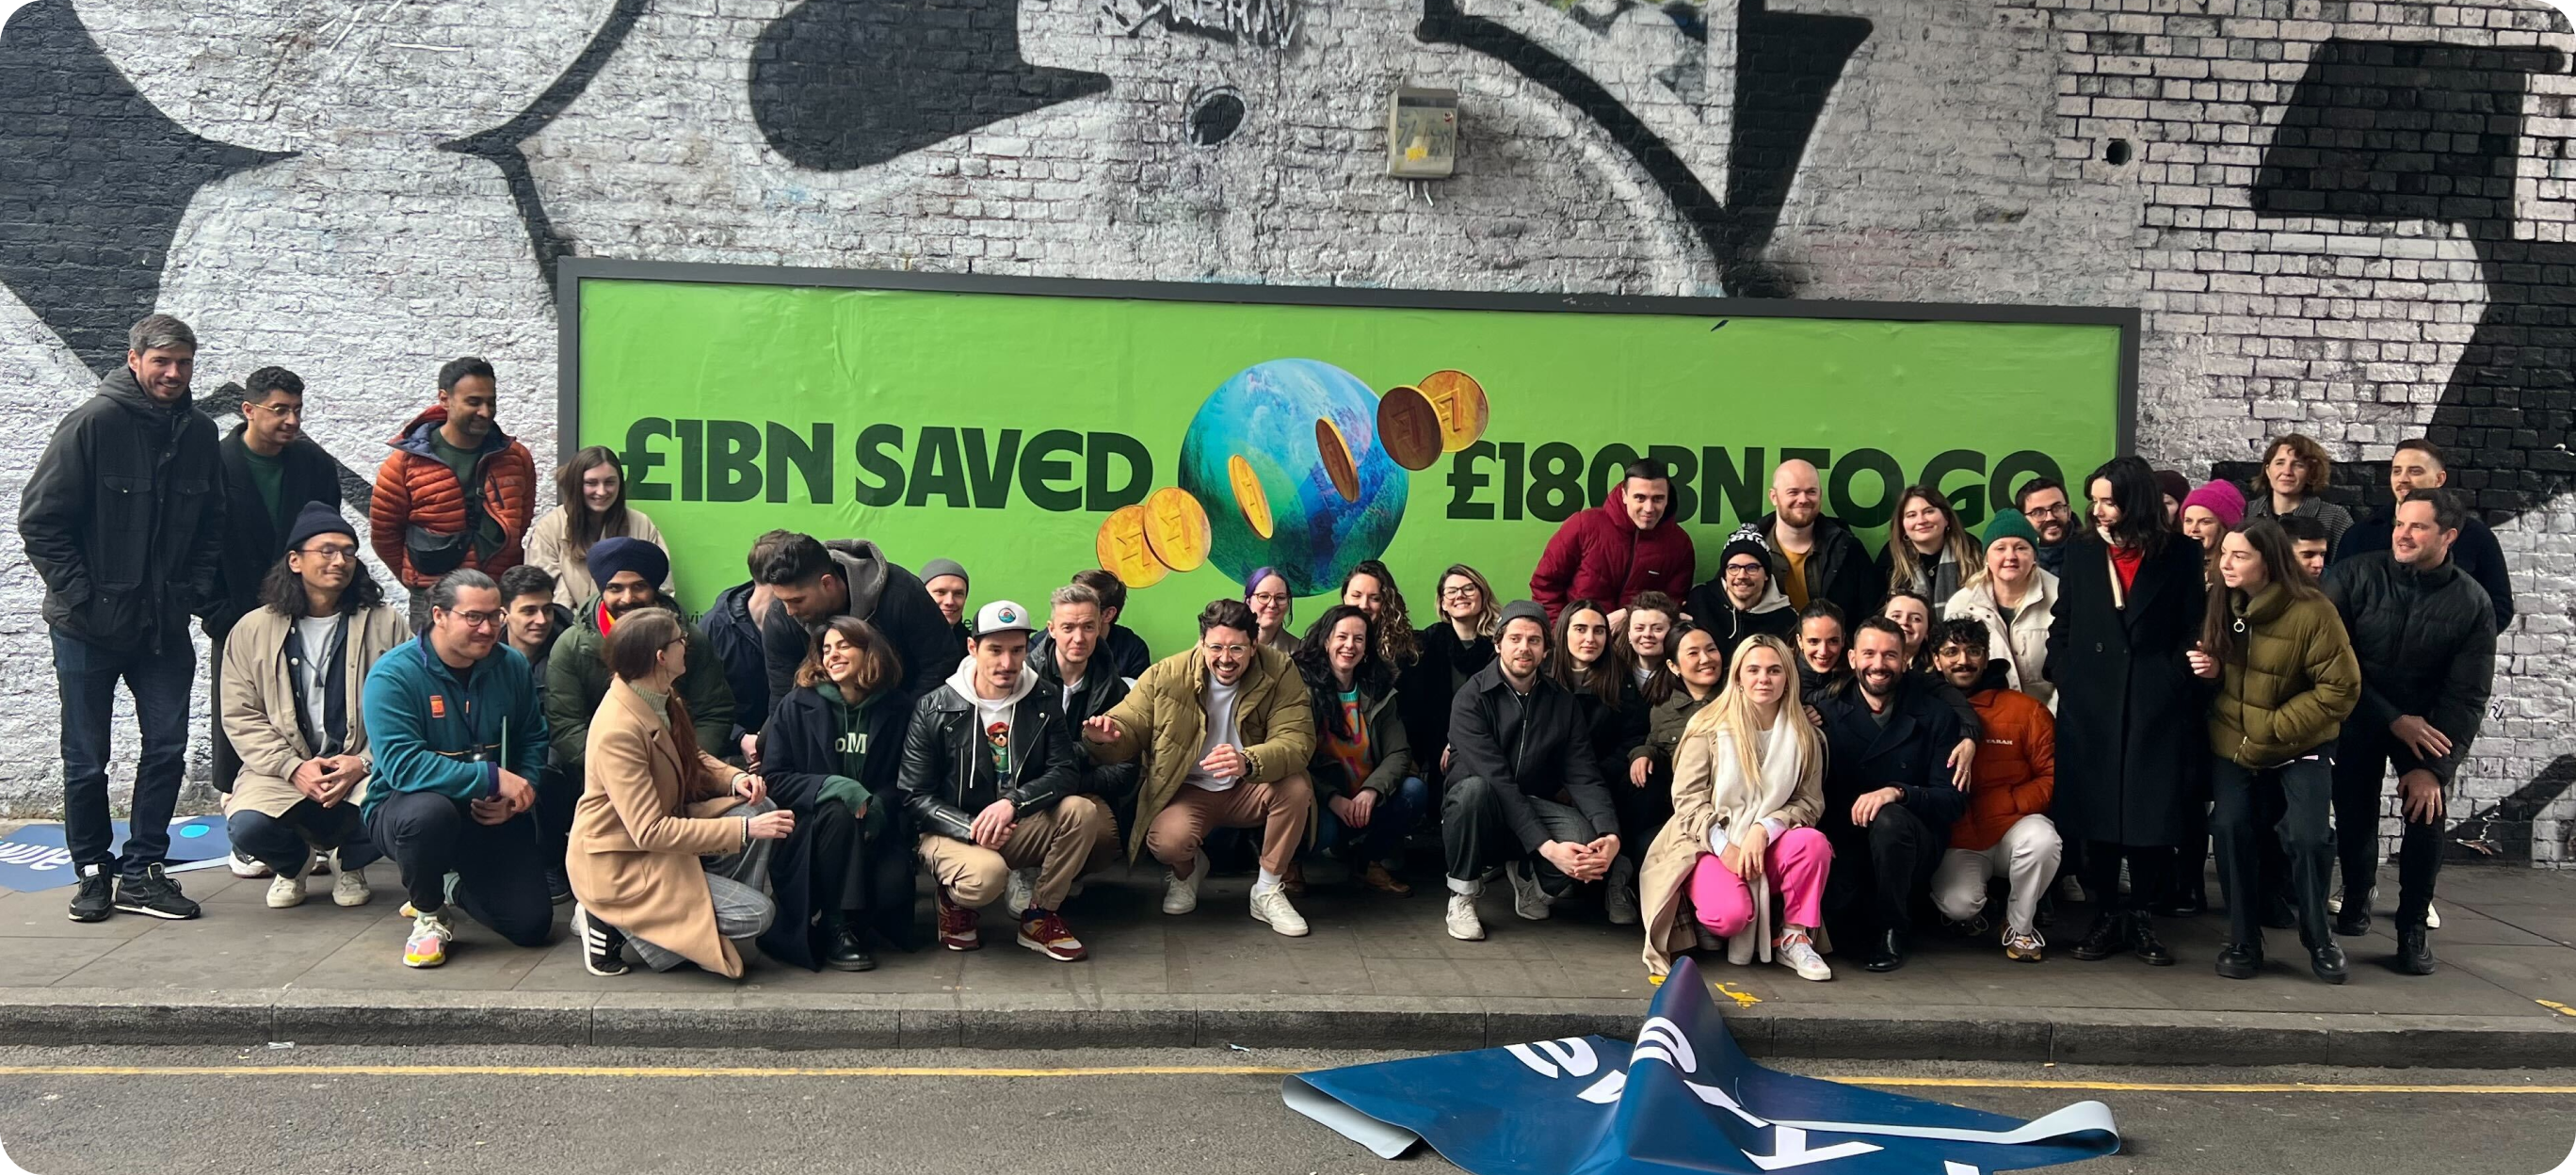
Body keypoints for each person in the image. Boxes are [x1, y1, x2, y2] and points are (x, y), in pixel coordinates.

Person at [21, 314, 224, 922]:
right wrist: (85, 598)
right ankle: (91, 869)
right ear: (134, 360)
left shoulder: (199, 434)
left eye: (183, 362)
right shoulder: (93, 423)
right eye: (161, 360)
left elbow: (211, 525)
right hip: (87, 629)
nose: (173, 372)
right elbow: (41, 523)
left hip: (163, 628)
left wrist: (190, 592)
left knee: (166, 750)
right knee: (87, 758)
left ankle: (142, 870)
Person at [2322, 488, 2496, 974]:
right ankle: (2356, 895)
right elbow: (2332, 659)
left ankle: (2412, 927)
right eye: (2401, 523)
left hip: (2429, 726)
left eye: (2418, 526)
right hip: (2359, 712)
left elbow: (2467, 695)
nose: (2404, 533)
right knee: (2354, 810)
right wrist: (2391, 717)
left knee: (2427, 812)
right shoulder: (2355, 575)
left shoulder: (2471, 602)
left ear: (2449, 535)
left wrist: (2436, 770)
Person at [2049, 456, 2210, 969]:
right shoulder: (2080, 553)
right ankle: (2105, 912)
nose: (2096, 510)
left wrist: (2171, 679)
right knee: (2096, 815)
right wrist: (2066, 673)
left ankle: (2141, 914)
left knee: (2150, 814)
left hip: (2155, 706)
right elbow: (2064, 625)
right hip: (2091, 704)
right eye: (2093, 499)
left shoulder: (2182, 555)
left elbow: (2191, 626)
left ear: (2134, 502)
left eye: (2107, 501)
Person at [565, 608, 786, 978]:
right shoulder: (618, 729)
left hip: (658, 843)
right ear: (660, 657)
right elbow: (649, 831)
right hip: (622, 862)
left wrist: (733, 779)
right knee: (757, 913)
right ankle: (609, 919)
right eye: (679, 641)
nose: (687, 645)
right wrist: (745, 832)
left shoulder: (657, 695)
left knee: (758, 806)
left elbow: (689, 755)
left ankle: (690, 920)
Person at [2193, 521, 2362, 983]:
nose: (2226, 563)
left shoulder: (2313, 612)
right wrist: (2211, 671)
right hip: (2233, 741)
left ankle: (2318, 938)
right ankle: (2244, 939)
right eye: (2224, 553)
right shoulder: (2219, 602)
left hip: (2297, 743)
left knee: (2308, 837)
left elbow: (2341, 689)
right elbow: (2230, 678)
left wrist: (2272, 727)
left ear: (2268, 561)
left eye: (2239, 556)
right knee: (2228, 827)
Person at [1085, 599, 1317, 936]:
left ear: (1254, 645)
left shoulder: (1279, 669)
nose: (1225, 658)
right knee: (1167, 842)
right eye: (1216, 647)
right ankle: (1187, 871)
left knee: (1296, 788)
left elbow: (1296, 740)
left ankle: (1267, 889)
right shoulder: (1167, 674)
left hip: (1249, 783)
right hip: (1189, 787)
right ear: (1201, 642)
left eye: (1237, 648)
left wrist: (1248, 760)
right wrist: (1105, 737)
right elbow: (1130, 721)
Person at [360, 570, 553, 968]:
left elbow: (534, 737)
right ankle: (428, 912)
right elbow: (402, 766)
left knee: (531, 926)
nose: (488, 628)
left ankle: (451, 885)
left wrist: (520, 795)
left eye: (495, 616)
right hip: (406, 810)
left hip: (487, 813)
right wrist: (493, 777)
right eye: (473, 617)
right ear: (439, 615)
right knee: (428, 814)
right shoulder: (393, 674)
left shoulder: (512, 665)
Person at [218, 504, 404, 910]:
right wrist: (292, 767)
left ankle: (349, 861)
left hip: (361, 767)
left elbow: (406, 707)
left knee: (408, 811)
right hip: (283, 769)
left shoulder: (386, 622)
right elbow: (240, 714)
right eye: (327, 550)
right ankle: (294, 864)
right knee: (246, 826)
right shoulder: (252, 629)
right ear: (295, 561)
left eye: (349, 552)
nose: (340, 560)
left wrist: (366, 762)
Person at [903, 600, 1110, 960]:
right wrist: (972, 827)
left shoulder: (1043, 697)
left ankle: (1040, 916)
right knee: (987, 876)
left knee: (1082, 811)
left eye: (1017, 650)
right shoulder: (935, 707)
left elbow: (1064, 771)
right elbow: (914, 795)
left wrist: (1012, 804)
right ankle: (953, 902)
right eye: (995, 650)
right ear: (973, 648)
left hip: (1014, 823)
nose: (1007, 663)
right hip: (951, 829)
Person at [545, 539, 736, 898]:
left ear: (655, 589)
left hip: (684, 765)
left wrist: (683, 768)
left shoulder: (689, 640)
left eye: (638, 586)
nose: (627, 597)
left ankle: (709, 895)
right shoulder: (571, 646)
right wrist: (627, 771)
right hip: (605, 778)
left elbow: (714, 710)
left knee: (755, 811)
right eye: (615, 588)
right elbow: (567, 726)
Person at [1638, 634, 1832, 982]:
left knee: (1813, 843)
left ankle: (1794, 935)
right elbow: (1687, 800)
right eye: (1753, 669)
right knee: (1728, 916)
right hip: (1706, 843)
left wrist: (1766, 828)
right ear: (1738, 676)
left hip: (1769, 846)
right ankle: (1698, 904)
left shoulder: (1805, 735)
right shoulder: (1708, 726)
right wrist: (1724, 846)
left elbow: (1809, 802)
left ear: (1788, 676)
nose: (1763, 679)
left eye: (1774, 670)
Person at [1440, 601, 1620, 942]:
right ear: (1498, 644)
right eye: (1515, 639)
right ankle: (1462, 894)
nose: (1524, 647)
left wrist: (1609, 834)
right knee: (1473, 791)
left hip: (1532, 804)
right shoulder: (1472, 698)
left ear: (1547, 650)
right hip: (1483, 811)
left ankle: (1532, 883)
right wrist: (1548, 847)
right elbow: (1496, 780)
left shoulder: (1562, 702)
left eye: (1534, 640)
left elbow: (1583, 773)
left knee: (1583, 837)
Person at [205, 366, 343, 799]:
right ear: (248, 410)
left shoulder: (314, 465)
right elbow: (193, 543)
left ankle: (314, 820)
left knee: (309, 713)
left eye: (298, 410)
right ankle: (241, 818)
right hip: (236, 616)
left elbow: (328, 536)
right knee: (241, 717)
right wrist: (216, 611)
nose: (292, 421)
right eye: (279, 410)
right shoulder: (214, 465)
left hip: (307, 613)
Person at [757, 616, 917, 972]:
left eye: (844, 645)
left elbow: (909, 778)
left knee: (892, 886)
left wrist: (880, 805)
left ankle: (857, 920)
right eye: (826, 649)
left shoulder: (898, 708)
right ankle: (836, 926)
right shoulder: (797, 705)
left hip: (876, 831)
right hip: (810, 836)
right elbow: (776, 778)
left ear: (869, 652)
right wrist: (839, 787)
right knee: (838, 811)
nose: (833, 654)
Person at [1811, 617, 1967, 973]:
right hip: (1845, 841)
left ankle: (1894, 928)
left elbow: (1953, 800)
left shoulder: (1936, 716)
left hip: (1912, 843)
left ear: (1906, 660)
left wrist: (1898, 792)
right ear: (1851, 658)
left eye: (1890, 656)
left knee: (1889, 819)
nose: (1878, 665)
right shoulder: (1825, 714)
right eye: (1869, 653)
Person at [368, 357, 538, 631]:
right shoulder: (403, 464)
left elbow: (521, 518)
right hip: (434, 598)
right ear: (444, 400)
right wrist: (421, 581)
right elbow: (385, 535)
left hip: (498, 592)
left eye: (491, 402)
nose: (485, 411)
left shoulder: (516, 458)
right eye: (473, 402)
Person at [1927, 620, 2061, 962]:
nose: (1963, 661)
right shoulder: (1925, 707)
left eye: (1973, 652)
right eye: (1951, 652)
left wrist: (2010, 802)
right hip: (1960, 839)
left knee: (2043, 841)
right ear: (1936, 660)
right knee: (1959, 905)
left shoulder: (2025, 710)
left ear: (1986, 658)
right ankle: (1973, 913)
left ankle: (2020, 925)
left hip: (2011, 828)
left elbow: (2053, 775)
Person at [755, 534, 956, 728]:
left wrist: (906, 724)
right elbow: (783, 694)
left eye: (797, 600)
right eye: (782, 601)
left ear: (827, 583)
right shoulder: (780, 617)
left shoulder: (901, 593)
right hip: (820, 727)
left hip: (903, 716)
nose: (789, 611)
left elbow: (941, 663)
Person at [1295, 605, 1427, 896]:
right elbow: (1294, 758)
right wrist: (1332, 798)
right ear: (1326, 641)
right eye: (1341, 637)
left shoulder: (1379, 689)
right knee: (1321, 827)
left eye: (1358, 639)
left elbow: (1399, 753)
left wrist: (1372, 791)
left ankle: (1367, 863)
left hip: (1367, 800)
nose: (1349, 645)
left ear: (1367, 647)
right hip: (1323, 801)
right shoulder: (1301, 689)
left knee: (1414, 791)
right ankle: (1291, 864)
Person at [2332, 439, 2515, 634]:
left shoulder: (2476, 536)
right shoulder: (2360, 534)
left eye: (2415, 471)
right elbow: (2336, 601)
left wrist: (2457, 646)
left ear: (2439, 479)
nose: (2403, 478)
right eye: (2397, 471)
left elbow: (2499, 607)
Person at [1550, 599, 1650, 924]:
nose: (1589, 639)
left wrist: (1594, 778)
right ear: (1564, 632)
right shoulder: (1542, 672)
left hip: (1603, 778)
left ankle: (1617, 878)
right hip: (1550, 782)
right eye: (1580, 629)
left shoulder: (1619, 677)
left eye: (1599, 631)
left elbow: (1633, 736)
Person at [1033, 584, 1142, 861]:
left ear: (1100, 627)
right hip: (1031, 792)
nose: (1079, 638)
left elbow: (1125, 772)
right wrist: (1089, 749)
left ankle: (1069, 870)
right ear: (1051, 629)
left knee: (1103, 838)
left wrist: (1069, 780)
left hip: (1082, 790)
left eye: (1088, 627)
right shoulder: (1025, 681)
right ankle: (1025, 870)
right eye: (1068, 627)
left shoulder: (1117, 690)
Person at [1623, 626, 1728, 916]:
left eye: (1711, 649)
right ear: (1673, 665)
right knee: (1648, 842)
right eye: (1692, 653)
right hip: (1688, 811)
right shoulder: (1664, 708)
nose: (1706, 659)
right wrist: (1643, 754)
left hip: (1734, 807)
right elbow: (1655, 742)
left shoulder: (1738, 696)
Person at [1529, 458, 1696, 624]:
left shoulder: (1680, 545)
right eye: (1640, 498)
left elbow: (1672, 608)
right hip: (1580, 644)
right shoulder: (1584, 525)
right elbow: (1545, 585)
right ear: (1624, 495)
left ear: (1668, 498)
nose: (1649, 508)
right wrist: (1563, 634)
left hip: (1640, 645)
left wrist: (1626, 616)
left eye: (1658, 499)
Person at [523, 446, 672, 609]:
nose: (601, 492)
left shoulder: (641, 524)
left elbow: (662, 590)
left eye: (609, 482)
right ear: (576, 484)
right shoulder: (549, 529)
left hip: (631, 626)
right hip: (569, 628)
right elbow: (546, 596)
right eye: (591, 483)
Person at [1944, 509, 2060, 709]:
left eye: (2021, 548)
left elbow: (2074, 669)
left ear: (2034, 555)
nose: (2010, 556)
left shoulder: (2060, 596)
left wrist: (2050, 720)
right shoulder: (1961, 605)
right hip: (1987, 721)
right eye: (2000, 548)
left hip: (2051, 718)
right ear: (1986, 557)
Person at [1400, 563, 1498, 792]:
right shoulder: (1425, 644)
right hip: (1432, 752)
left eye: (1468, 589)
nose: (1460, 595)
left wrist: (1459, 742)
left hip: (1483, 747)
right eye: (1451, 591)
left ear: (1482, 595)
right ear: (1443, 602)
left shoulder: (1501, 645)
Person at [706, 530, 797, 756]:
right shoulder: (714, 628)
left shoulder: (806, 621)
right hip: (732, 749)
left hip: (791, 745)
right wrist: (740, 738)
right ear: (777, 579)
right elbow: (696, 701)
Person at [1755, 459, 1879, 622]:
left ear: (1820, 494)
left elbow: (1872, 615)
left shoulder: (1847, 548)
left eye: (1811, 492)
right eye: (1793, 492)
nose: (1803, 499)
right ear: (1774, 497)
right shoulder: (1749, 549)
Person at [1685, 530, 1797, 668]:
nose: (1742, 575)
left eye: (1752, 568)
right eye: (1733, 568)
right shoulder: (1700, 601)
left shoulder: (1787, 619)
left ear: (1767, 575)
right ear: (1724, 574)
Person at [1032, 568, 1151, 682]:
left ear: (1108, 614)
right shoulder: (1038, 647)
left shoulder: (1132, 651)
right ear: (1052, 629)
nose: (1078, 638)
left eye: (1086, 599)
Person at [1876, 485, 1983, 612]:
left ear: (1946, 518)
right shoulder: (1890, 556)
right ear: (1902, 525)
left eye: (1929, 511)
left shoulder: (1971, 549)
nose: (1921, 520)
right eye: (1911, 515)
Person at [2244, 433, 2355, 546]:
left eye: (2298, 465)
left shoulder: (2335, 518)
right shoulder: (2248, 512)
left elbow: (2348, 563)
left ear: (2311, 473)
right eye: (2280, 463)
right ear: (2268, 470)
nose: (2287, 472)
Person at [499, 565, 576, 686]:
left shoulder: (574, 653)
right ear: (503, 615)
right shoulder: (485, 656)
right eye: (529, 611)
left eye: (547, 610)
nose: (542, 620)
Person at [1341, 559, 1421, 669]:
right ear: (1345, 598)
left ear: (1386, 603)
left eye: (1375, 598)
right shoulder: (1324, 644)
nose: (1364, 605)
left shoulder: (1406, 651)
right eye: (1356, 596)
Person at [2016, 477, 2077, 575]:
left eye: (2057, 508)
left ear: (2068, 511)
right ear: (2023, 520)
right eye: (2038, 512)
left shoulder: (2094, 554)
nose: (2050, 517)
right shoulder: (2014, 564)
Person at [2180, 479, 2246, 563]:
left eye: (2205, 522)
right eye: (2188, 521)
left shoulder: (2234, 570)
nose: (2194, 529)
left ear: (2225, 526)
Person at [1795, 603, 1850, 702]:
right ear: (1800, 641)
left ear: (1843, 640)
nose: (1823, 651)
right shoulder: (1782, 677)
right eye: (1813, 641)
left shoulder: (1858, 678)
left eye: (1833, 641)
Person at [921, 557, 974, 657]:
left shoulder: (973, 648)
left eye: (958, 593)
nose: (949, 601)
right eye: (940, 592)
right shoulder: (899, 642)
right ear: (922, 595)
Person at [1247, 566, 1301, 656]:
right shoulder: (1227, 646)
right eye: (1264, 596)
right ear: (1248, 601)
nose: (1272, 604)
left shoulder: (1301, 653)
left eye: (1280, 598)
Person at [1879, 590, 1935, 669]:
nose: (1905, 622)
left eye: (1916, 619)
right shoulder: (1862, 664)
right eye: (1896, 616)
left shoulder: (1939, 674)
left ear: (1927, 630)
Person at [2280, 515, 2332, 583]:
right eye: (2308, 555)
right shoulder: (2265, 583)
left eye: (2322, 555)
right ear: (2283, 554)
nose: (2319, 564)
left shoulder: (2334, 581)